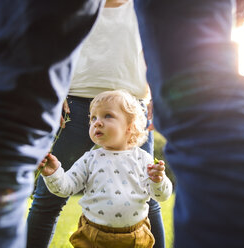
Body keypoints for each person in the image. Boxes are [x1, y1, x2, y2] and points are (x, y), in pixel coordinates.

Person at [0, 0, 244, 247]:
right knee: (211, 112)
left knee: (4, 122)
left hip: (132, 107)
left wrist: (150, 96)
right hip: (77, 106)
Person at [26, 0, 167, 247]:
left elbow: (159, 48)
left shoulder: (144, 7)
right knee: (47, 198)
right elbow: (50, 44)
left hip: (131, 107)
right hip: (76, 104)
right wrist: (53, 90)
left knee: (148, 197)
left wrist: (160, 90)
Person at [38, 90, 172, 248]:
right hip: (92, 236)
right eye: (93, 118)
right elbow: (66, 188)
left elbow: (161, 196)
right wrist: (53, 173)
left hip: (135, 237)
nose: (97, 122)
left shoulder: (143, 159)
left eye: (107, 116)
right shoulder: (89, 159)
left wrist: (158, 180)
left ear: (130, 126)